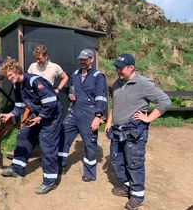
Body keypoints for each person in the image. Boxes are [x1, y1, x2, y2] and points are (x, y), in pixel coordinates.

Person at [104, 53, 171, 210]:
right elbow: (114, 104)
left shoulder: (144, 84)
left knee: (134, 163)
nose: (118, 71)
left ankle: (137, 196)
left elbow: (165, 101)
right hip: (117, 130)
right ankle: (127, 187)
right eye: (117, 68)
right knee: (117, 161)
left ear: (131, 67)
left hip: (134, 131)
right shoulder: (117, 83)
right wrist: (108, 122)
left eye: (121, 69)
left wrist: (148, 118)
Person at [0, 57, 62, 195]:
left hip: (51, 116)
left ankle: (50, 181)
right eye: (6, 77)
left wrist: (40, 117)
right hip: (37, 115)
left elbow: (51, 102)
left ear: (17, 70)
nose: (9, 78)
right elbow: (20, 106)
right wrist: (10, 115)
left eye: (10, 75)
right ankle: (17, 168)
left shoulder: (34, 81)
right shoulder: (17, 85)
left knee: (47, 146)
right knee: (23, 135)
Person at [5, 45, 68, 159]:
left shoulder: (54, 67)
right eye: (36, 59)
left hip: (48, 102)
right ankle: (25, 156)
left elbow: (65, 77)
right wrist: (11, 114)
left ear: (46, 56)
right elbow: (25, 81)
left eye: (40, 58)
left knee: (47, 137)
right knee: (25, 131)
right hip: (34, 103)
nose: (38, 61)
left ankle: (49, 158)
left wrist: (57, 90)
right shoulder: (32, 67)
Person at [57, 49, 108, 181]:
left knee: (90, 143)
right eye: (81, 59)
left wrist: (97, 117)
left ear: (91, 59)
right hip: (74, 111)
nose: (82, 62)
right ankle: (60, 165)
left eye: (85, 59)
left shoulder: (98, 76)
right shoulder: (75, 74)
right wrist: (71, 96)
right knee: (63, 136)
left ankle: (89, 173)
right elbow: (73, 91)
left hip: (89, 113)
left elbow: (101, 98)